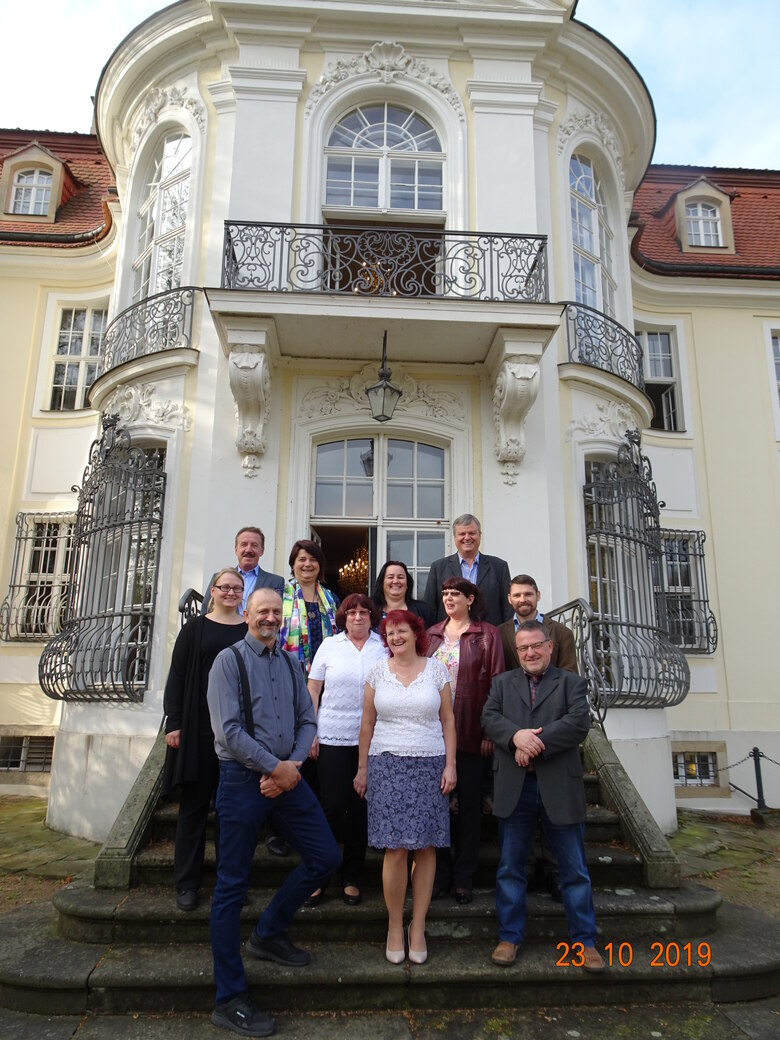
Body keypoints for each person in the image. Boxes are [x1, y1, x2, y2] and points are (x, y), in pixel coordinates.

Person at [207, 587, 341, 1038]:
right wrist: (275, 767)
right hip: (243, 782)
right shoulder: (229, 662)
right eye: (260, 610)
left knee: (325, 858)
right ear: (246, 614)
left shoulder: (289, 662)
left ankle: (267, 933)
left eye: (274, 612)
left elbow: (308, 719)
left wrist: (294, 766)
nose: (268, 617)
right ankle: (228, 998)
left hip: (289, 778)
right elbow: (227, 731)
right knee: (231, 886)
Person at [480, 620, 604, 972]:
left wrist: (533, 744)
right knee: (510, 867)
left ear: (550, 647)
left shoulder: (571, 684)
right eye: (523, 648)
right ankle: (509, 937)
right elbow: (489, 718)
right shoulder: (501, 684)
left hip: (558, 788)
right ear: (516, 652)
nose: (530, 653)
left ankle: (585, 941)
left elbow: (579, 723)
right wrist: (515, 737)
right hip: (515, 788)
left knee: (574, 870)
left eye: (537, 646)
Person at [354, 610, 456, 965]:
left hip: (430, 764)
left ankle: (418, 926)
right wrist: (362, 768)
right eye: (390, 632)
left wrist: (451, 765)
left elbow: (448, 721)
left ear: (417, 634)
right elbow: (367, 723)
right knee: (395, 850)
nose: (396, 637)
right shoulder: (377, 672)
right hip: (387, 765)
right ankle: (395, 926)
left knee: (426, 848)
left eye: (402, 631)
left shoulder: (437, 669)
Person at [162, 569, 248, 912]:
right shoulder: (194, 629)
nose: (230, 592)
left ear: (243, 592)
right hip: (198, 729)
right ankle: (187, 883)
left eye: (236, 587)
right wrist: (175, 723)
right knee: (194, 810)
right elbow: (178, 676)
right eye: (224, 587)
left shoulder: (249, 629)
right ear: (213, 591)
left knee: (232, 815)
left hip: (240, 733)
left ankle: (230, 885)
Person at [425, 577, 504, 904]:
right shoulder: (431, 635)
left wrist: (489, 730)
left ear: (470, 599)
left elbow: (497, 682)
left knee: (470, 807)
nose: (448, 599)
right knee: (437, 807)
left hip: (472, 729)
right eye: (444, 594)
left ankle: (463, 877)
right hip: (431, 734)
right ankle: (440, 874)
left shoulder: (488, 634)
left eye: (455, 594)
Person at [307, 593, 387, 906]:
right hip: (331, 736)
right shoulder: (329, 645)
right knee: (331, 806)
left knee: (359, 808)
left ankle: (352, 876)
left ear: (372, 616)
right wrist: (310, 730)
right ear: (343, 617)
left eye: (364, 612)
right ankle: (321, 872)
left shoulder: (382, 647)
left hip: (373, 738)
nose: (357, 617)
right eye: (351, 612)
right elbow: (313, 689)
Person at [423, 514, 512, 627]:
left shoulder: (499, 567)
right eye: (462, 534)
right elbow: (430, 609)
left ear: (480, 535)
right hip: (450, 638)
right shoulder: (438, 567)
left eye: (472, 533)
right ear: (455, 537)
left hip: (489, 637)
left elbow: (508, 608)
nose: (467, 537)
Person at [280, 538, 339, 676]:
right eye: (302, 559)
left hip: (327, 677)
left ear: (319, 565)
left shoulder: (332, 599)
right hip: (290, 675)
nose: (308, 564)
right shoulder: (279, 596)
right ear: (293, 564)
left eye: (313, 559)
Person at [499, 573, 577, 673]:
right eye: (517, 595)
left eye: (528, 594)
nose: (522, 600)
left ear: (538, 595)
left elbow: (570, 677)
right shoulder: (498, 634)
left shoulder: (562, 633)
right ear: (510, 599)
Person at [202, 526, 284, 614]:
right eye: (244, 544)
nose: (248, 550)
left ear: (262, 551)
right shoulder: (218, 578)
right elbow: (206, 610)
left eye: (254, 545)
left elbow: (278, 614)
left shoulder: (276, 582)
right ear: (236, 549)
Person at [371, 560, 434, 627]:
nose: (395, 581)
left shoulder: (424, 610)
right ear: (382, 583)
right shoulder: (370, 610)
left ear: (407, 583)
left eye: (400, 577)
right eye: (390, 577)